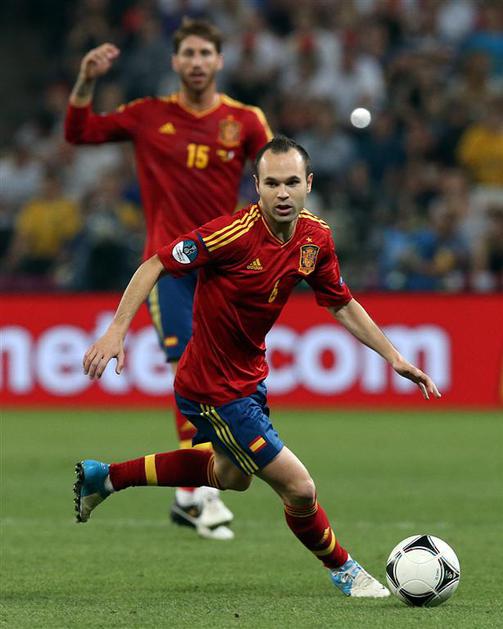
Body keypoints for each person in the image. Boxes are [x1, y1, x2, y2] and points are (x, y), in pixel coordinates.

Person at [76, 136, 441, 598]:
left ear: (309, 184)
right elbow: (154, 264)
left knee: (231, 476)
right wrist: (116, 330)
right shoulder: (230, 235)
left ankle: (105, 477)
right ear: (257, 186)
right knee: (300, 488)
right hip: (210, 388)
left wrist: (394, 357)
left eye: (292, 182)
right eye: (272, 183)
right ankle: (346, 570)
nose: (282, 193)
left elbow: (340, 302)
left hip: (248, 380)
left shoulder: (315, 239)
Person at [65, 18, 272, 540]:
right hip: (169, 268)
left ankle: (188, 495)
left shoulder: (244, 120)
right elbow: (80, 132)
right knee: (188, 367)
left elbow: (274, 175)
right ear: (175, 61)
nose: (197, 62)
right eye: (189, 54)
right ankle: (196, 494)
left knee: (220, 374)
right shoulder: (148, 114)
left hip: (223, 269)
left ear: (219, 60)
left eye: (206, 53)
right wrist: (86, 82)